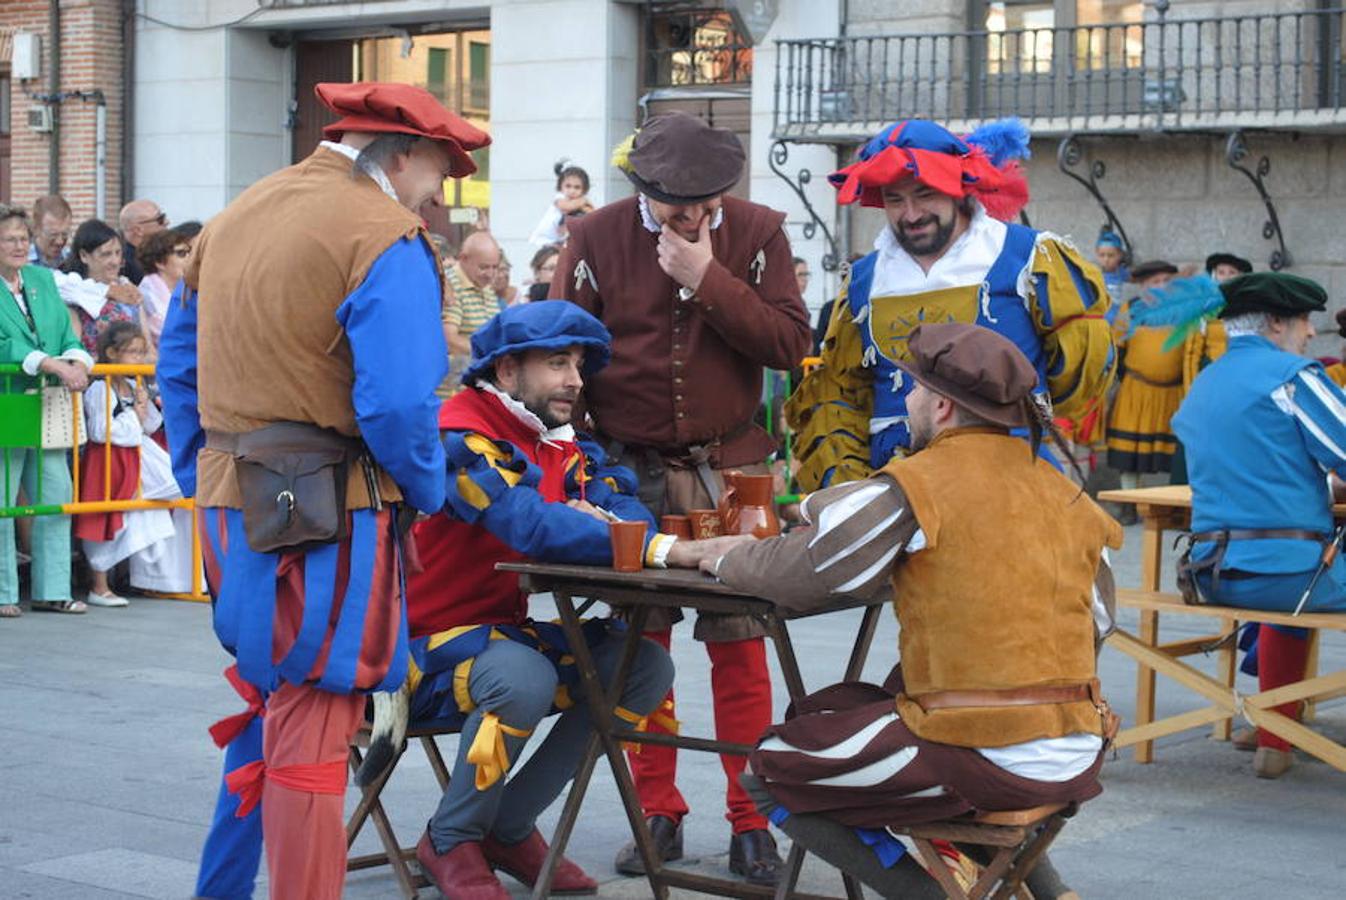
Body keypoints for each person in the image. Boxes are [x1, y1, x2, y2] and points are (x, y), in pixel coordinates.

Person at [157, 80, 489, 900]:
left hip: (232, 500)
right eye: (439, 171)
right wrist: (427, 489)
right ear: (401, 153)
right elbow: (398, 403)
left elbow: (178, 366)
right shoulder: (384, 233)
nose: (439, 193)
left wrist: (211, 462)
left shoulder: (237, 213)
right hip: (330, 510)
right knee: (314, 719)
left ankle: (222, 891)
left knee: (268, 699)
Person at [695, 322, 1121, 900]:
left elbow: (803, 572)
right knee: (854, 711)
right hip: (1079, 749)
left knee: (771, 768)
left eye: (913, 390)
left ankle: (930, 895)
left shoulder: (922, 482)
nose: (909, 402)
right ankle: (1051, 893)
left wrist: (722, 557)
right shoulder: (1063, 490)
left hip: (978, 758)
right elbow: (1097, 622)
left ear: (943, 406)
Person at [404, 302, 744, 898]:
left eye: (579, 365)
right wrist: (663, 548)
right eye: (558, 363)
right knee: (522, 676)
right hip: (409, 654)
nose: (576, 381)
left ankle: (507, 825)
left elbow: (626, 508)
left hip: (496, 639)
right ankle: (452, 836)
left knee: (642, 667)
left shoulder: (563, 441)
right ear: (507, 372)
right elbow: (526, 522)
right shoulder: (456, 436)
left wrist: (616, 527)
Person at [552, 110, 811, 886]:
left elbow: (790, 346)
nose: (695, 218)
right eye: (677, 208)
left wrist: (708, 279)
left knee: (741, 648)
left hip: (732, 472)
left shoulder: (760, 231)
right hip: (630, 473)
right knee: (643, 653)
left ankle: (752, 821)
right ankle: (657, 811)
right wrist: (583, 465)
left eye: (707, 205)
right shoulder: (596, 236)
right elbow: (565, 349)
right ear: (644, 189)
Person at [789, 118, 1116, 494]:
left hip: (1013, 483)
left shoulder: (1031, 258)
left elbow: (1082, 372)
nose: (910, 214)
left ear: (958, 191)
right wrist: (851, 490)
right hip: (895, 491)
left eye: (925, 194)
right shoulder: (864, 280)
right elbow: (842, 395)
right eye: (895, 199)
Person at [1168, 273, 1346, 779]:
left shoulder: (1206, 382)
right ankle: (1276, 731)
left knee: (1285, 596)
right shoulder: (1292, 376)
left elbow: (1259, 471)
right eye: (1305, 321)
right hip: (1287, 576)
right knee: (1296, 582)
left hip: (1211, 574)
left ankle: (1277, 737)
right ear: (1275, 321)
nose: (1311, 333)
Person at [0, 204, 92, 619]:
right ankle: (3, 592)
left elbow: (61, 331)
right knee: (3, 499)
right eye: (9, 239)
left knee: (56, 494)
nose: (19, 245)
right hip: (7, 402)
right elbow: (5, 345)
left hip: (48, 401)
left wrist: (75, 359)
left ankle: (52, 589)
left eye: (22, 238)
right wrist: (48, 361)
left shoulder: (40, 279)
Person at [73, 321, 178, 607]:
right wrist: (133, 414)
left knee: (134, 515)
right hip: (107, 460)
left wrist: (144, 408)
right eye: (132, 352)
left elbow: (150, 426)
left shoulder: (134, 385)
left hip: (133, 457)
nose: (138, 359)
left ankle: (134, 577)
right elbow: (100, 430)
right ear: (111, 353)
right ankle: (99, 585)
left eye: (141, 352)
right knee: (103, 516)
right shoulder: (101, 388)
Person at [1105, 260, 1183, 503]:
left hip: (1174, 394)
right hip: (1136, 392)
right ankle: (1129, 503)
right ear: (1143, 286)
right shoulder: (1131, 309)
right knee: (1129, 455)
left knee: (1176, 455)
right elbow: (1115, 346)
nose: (1161, 286)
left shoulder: (1184, 311)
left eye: (1165, 281)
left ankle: (1174, 508)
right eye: (1154, 282)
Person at [59, 219, 142, 354]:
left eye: (118, 253)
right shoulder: (72, 292)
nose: (115, 261)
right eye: (106, 254)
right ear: (84, 255)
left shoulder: (128, 288)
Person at [442, 230, 502, 396]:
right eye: (483, 267)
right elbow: (449, 339)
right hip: (450, 394)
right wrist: (491, 354)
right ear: (463, 258)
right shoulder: (451, 286)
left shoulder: (485, 287)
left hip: (473, 389)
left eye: (495, 267)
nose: (490, 274)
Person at [137, 228, 193, 353]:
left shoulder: (189, 287)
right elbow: (166, 330)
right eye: (182, 254)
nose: (190, 259)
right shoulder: (145, 293)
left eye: (191, 253)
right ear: (160, 262)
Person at [529, 160, 594, 247]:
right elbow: (566, 207)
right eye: (568, 186)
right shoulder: (560, 197)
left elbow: (593, 214)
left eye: (577, 187)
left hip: (559, 240)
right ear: (560, 186)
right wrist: (584, 201)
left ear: (584, 190)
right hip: (546, 238)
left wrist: (587, 207)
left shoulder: (579, 203)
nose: (572, 191)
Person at [118, 199, 169, 283]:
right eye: (160, 219)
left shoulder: (155, 253)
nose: (167, 222)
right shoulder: (123, 264)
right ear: (138, 230)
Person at [29, 195, 73, 268]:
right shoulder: (21, 263)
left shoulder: (72, 261)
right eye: (53, 235)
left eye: (65, 234)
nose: (60, 241)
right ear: (36, 229)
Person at [1095, 230, 1129, 316]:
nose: (1106, 260)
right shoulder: (1095, 273)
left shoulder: (1120, 272)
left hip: (1116, 313)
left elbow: (1136, 278)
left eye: (1111, 255)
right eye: (1102, 255)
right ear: (1097, 254)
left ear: (1120, 255)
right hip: (1101, 312)